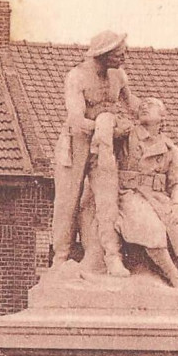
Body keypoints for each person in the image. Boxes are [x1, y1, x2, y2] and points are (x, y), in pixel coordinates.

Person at [52, 31, 139, 276]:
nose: (125, 57)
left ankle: (112, 257)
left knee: (107, 197)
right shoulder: (77, 77)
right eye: (120, 54)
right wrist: (107, 126)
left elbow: (132, 105)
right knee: (67, 201)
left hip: (104, 145)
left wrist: (149, 113)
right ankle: (60, 256)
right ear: (105, 54)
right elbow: (76, 119)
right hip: (77, 144)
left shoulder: (119, 76)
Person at [115, 97, 178, 291]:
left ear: (162, 117)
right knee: (151, 229)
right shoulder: (127, 135)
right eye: (143, 106)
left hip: (158, 196)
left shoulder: (170, 149)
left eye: (151, 106)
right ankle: (173, 275)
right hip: (128, 193)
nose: (144, 106)